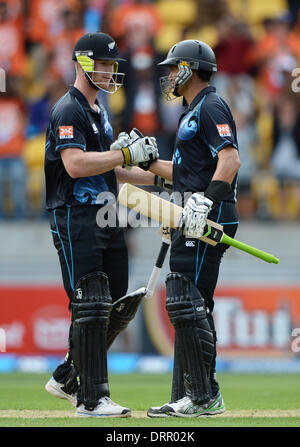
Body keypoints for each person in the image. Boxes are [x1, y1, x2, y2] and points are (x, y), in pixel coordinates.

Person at [43, 31, 159, 418]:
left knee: (115, 300)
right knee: (90, 302)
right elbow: (75, 166)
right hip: (75, 214)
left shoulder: (98, 111)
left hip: (105, 214)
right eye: (103, 64)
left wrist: (159, 175)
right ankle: (92, 399)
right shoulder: (68, 109)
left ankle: (67, 375)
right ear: (82, 63)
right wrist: (123, 152)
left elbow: (114, 169)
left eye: (112, 65)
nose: (110, 71)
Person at [146, 39, 241, 417]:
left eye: (173, 67)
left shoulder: (210, 105)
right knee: (189, 303)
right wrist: (143, 162)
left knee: (187, 300)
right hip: (194, 212)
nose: (169, 75)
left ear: (189, 68)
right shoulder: (193, 110)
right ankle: (188, 394)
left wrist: (205, 201)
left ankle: (205, 396)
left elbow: (230, 159)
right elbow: (186, 173)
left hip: (208, 215)